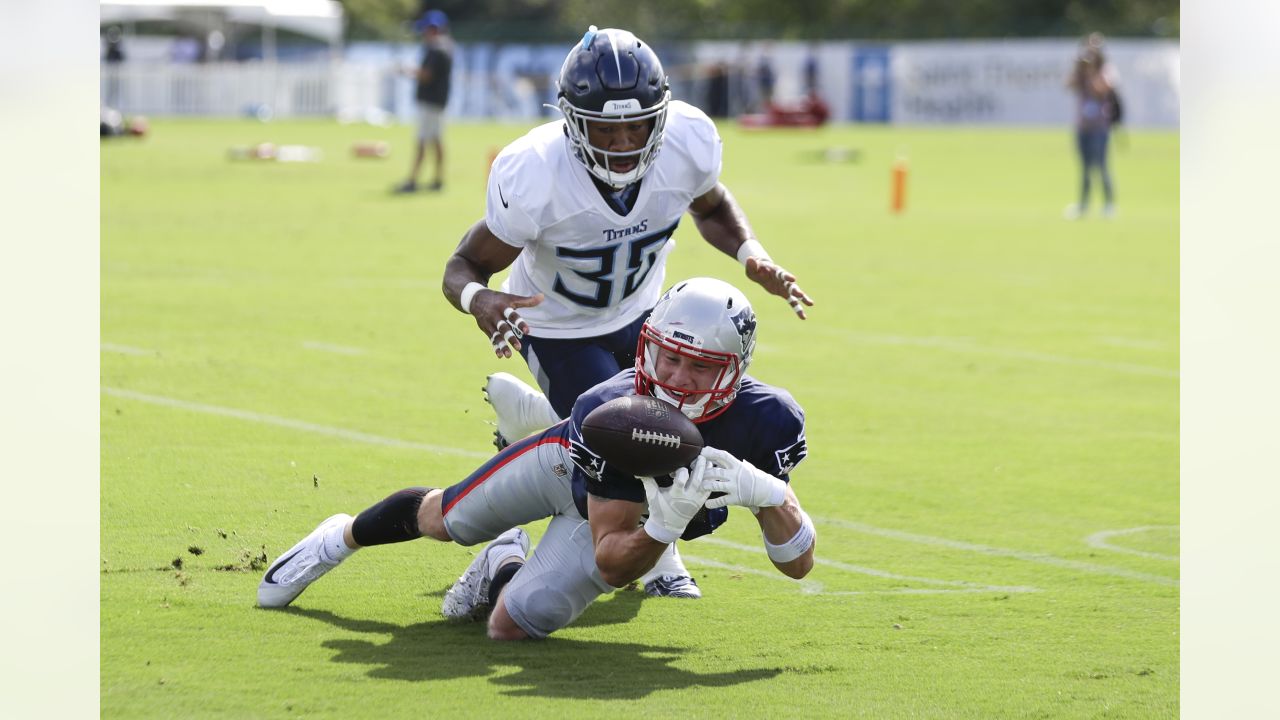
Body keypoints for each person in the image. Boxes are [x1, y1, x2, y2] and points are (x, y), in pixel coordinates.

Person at [440, 26, 814, 598]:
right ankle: (646, 558)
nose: (620, 142)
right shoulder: (537, 172)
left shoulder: (688, 141)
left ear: (660, 117)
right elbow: (463, 264)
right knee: (628, 444)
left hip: (649, 320)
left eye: (635, 125)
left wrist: (750, 253)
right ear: (571, 122)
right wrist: (480, 299)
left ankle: (535, 427)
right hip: (559, 326)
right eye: (603, 128)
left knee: (673, 434)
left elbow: (710, 205)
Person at [258, 277, 817, 642]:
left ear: (735, 370)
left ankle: (500, 562)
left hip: (620, 516)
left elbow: (797, 565)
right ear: (647, 345)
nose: (675, 377)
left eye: (699, 367)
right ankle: (337, 538)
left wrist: (764, 492)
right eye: (668, 357)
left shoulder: (768, 420)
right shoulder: (611, 411)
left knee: (509, 630)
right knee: (444, 519)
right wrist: (667, 524)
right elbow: (613, 560)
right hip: (569, 471)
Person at [394, 10, 453, 194]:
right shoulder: (446, 47)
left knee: (422, 141)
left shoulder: (437, 49)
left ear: (433, 29)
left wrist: (408, 71)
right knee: (436, 140)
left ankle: (413, 180)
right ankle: (438, 179)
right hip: (438, 102)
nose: (423, 34)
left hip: (430, 102)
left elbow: (427, 75)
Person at [1064, 38, 1119, 219]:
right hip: (1083, 126)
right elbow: (1068, 85)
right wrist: (1078, 68)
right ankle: (1083, 204)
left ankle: (1109, 204)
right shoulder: (1080, 72)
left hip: (1099, 127)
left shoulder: (1105, 70)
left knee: (1102, 166)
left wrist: (1092, 71)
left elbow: (1102, 89)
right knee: (1085, 168)